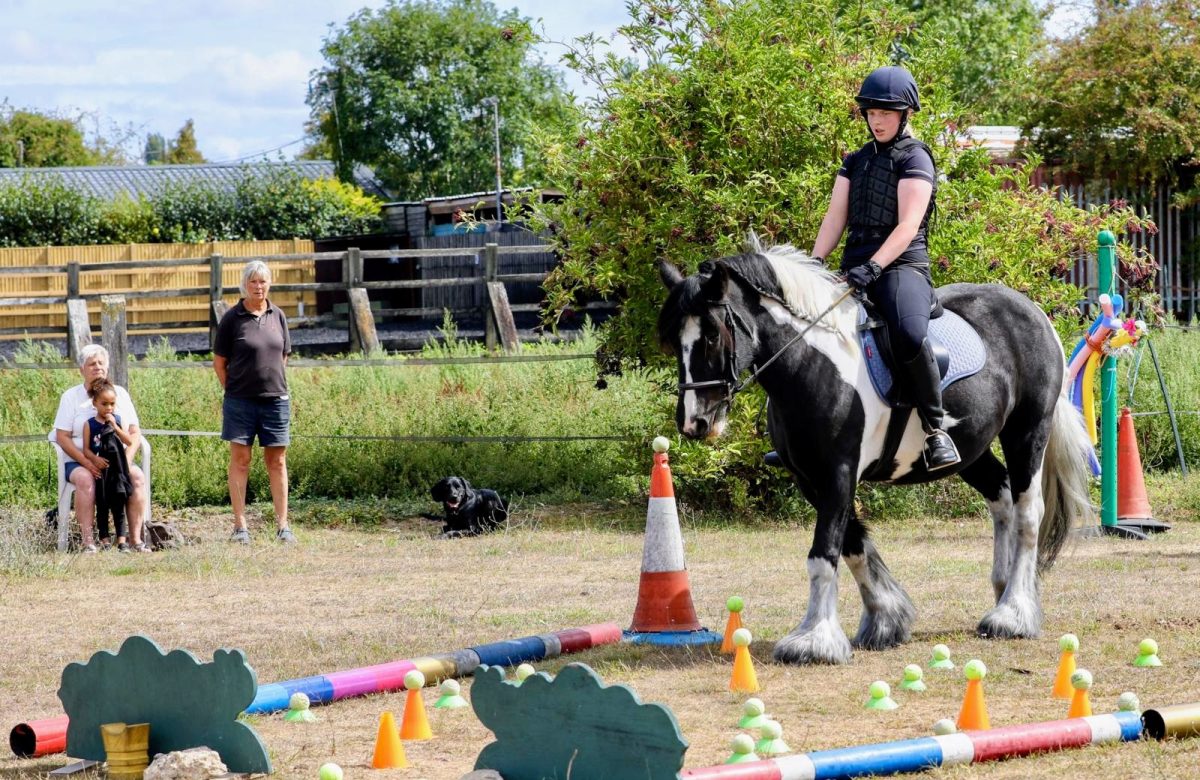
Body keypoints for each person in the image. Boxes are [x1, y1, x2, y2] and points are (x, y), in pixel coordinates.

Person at [810, 65, 960, 471]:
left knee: (909, 335)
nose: (876, 120)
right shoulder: (854, 161)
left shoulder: (915, 157)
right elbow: (834, 219)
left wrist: (874, 267)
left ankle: (935, 428)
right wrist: (814, 264)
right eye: (871, 113)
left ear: (904, 114)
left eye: (885, 113)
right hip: (854, 266)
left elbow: (908, 224)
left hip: (901, 268)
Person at [213, 260, 297, 544]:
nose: (258, 287)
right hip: (240, 403)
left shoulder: (279, 315)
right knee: (240, 460)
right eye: (253, 282)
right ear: (244, 285)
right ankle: (240, 527)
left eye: (262, 281)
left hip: (276, 401)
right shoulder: (232, 318)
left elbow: (283, 355)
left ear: (269, 284)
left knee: (277, 461)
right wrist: (235, 390)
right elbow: (219, 363)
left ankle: (283, 526)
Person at [51, 344, 151, 552]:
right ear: (82, 369)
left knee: (137, 477)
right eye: (91, 364)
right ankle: (89, 542)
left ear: (107, 366)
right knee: (85, 479)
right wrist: (87, 461)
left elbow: (134, 432)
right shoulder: (71, 397)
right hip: (80, 460)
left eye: (100, 363)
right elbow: (62, 436)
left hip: (117, 459)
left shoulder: (120, 394)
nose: (97, 367)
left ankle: (135, 540)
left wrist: (126, 460)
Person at [82, 378, 136, 552]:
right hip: (101, 472)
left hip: (117, 471)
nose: (109, 408)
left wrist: (115, 426)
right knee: (103, 505)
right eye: (104, 404)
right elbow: (86, 450)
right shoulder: (89, 425)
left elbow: (128, 441)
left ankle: (122, 541)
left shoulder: (116, 420)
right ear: (95, 403)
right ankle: (104, 540)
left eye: (112, 404)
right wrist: (94, 460)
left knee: (119, 505)